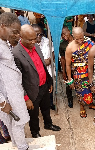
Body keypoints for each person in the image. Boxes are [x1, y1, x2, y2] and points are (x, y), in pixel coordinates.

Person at [12, 24, 61, 138]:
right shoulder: (16, 54)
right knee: (33, 115)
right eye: (30, 40)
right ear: (21, 37)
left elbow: (43, 67)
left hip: (43, 86)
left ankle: (48, 124)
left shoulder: (36, 46)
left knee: (46, 108)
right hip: (31, 91)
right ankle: (35, 132)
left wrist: (49, 82)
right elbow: (17, 79)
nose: (34, 41)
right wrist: (26, 98)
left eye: (35, 38)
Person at [0, 12, 29, 150]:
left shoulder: (3, 42)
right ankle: (23, 147)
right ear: (2, 26)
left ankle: (17, 145)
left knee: (14, 123)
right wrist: (2, 102)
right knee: (19, 122)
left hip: (11, 92)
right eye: (15, 31)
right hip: (7, 95)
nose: (18, 35)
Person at [65, 27, 95, 118]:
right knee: (80, 90)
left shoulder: (89, 42)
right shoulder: (69, 47)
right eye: (77, 39)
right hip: (78, 73)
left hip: (89, 70)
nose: (80, 41)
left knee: (90, 88)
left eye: (81, 38)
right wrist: (70, 79)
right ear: (73, 36)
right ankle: (82, 106)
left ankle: (90, 103)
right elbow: (68, 65)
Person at [32, 24, 56, 110]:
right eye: (36, 34)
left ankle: (50, 103)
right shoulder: (29, 43)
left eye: (41, 34)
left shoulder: (47, 41)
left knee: (49, 88)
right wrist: (42, 62)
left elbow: (53, 53)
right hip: (35, 73)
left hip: (48, 71)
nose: (39, 36)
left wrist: (50, 60)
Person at [59, 26, 73, 108]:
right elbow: (63, 59)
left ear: (69, 31)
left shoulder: (77, 40)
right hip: (69, 68)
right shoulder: (62, 44)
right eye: (62, 35)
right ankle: (69, 99)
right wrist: (63, 71)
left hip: (78, 67)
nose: (63, 36)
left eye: (64, 33)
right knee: (68, 84)